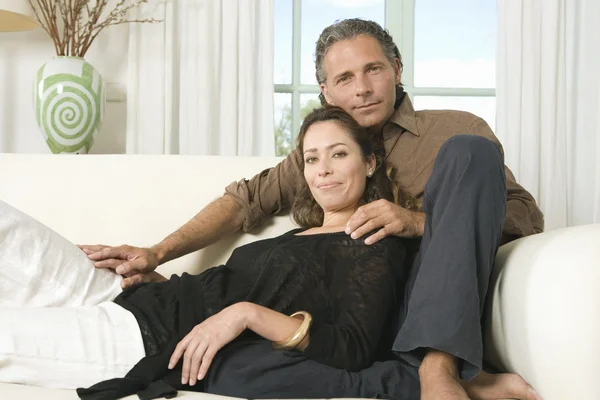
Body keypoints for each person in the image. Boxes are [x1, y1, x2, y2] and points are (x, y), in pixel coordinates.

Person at [81, 19, 545, 400]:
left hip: (427, 302)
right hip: (355, 326)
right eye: (345, 79)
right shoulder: (321, 153)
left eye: (374, 70)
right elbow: (240, 202)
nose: (362, 89)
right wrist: (158, 252)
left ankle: (439, 368)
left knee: (469, 151)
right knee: (221, 363)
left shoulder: (452, 131)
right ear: (326, 91)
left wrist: (418, 222)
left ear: (397, 69)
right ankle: (434, 382)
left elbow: (524, 215)